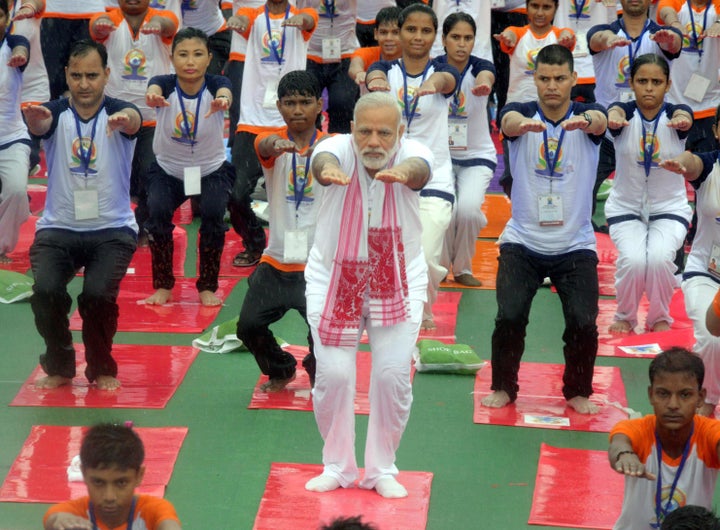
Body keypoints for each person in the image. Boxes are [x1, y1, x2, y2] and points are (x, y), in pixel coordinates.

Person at [304, 92, 433, 499]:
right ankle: (337, 466)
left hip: (396, 275)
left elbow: (420, 170)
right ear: (352, 129)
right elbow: (321, 163)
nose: (373, 142)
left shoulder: (413, 150)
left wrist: (403, 173)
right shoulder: (334, 148)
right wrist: (326, 174)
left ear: (400, 132)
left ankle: (381, 469)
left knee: (391, 375)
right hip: (334, 275)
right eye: (365, 131)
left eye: (383, 133)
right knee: (335, 375)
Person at [480, 44, 607, 413]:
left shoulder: (588, 114)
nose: (552, 85)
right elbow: (507, 124)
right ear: (534, 78)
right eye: (544, 78)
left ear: (572, 78)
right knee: (510, 316)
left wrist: (586, 124)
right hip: (523, 241)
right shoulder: (518, 111)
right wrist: (521, 126)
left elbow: (600, 121)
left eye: (559, 78)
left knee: (583, 322)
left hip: (575, 243)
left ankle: (578, 390)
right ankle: (504, 386)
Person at [22, 39, 141, 391]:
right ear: (66, 75)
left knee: (98, 297)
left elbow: (134, 122)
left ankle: (102, 366)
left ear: (106, 75)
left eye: (92, 75)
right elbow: (40, 127)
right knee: (45, 291)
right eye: (76, 76)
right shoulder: (54, 111)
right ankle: (59, 363)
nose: (84, 84)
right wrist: (36, 121)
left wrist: (127, 119)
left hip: (113, 229)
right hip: (58, 228)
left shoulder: (119, 111)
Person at [365, 2, 460, 330]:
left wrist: (437, 84)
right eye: (411, 29)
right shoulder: (385, 72)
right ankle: (389, 312)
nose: (418, 37)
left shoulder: (444, 71)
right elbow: (373, 72)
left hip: (435, 180)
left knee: (429, 256)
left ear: (435, 36)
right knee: (386, 253)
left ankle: (423, 307)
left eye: (426, 30)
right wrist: (375, 79)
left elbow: (448, 80)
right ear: (400, 32)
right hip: (390, 179)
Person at [236, 70, 328, 391]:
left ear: (319, 105)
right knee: (248, 326)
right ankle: (281, 368)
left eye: (305, 102)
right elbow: (262, 143)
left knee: (324, 336)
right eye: (290, 103)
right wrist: (276, 143)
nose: (298, 110)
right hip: (276, 263)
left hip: (319, 266)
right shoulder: (272, 145)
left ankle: (317, 372)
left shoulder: (333, 145)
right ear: (279, 106)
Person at [143, 27, 234, 307]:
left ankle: (207, 285)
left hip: (210, 169)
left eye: (197, 54)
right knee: (157, 214)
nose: (190, 61)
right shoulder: (164, 83)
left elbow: (225, 91)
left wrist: (223, 101)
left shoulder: (218, 82)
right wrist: (153, 97)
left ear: (209, 57)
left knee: (213, 217)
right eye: (182, 54)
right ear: (172, 58)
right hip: (168, 170)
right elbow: (153, 89)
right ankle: (163, 284)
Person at [605, 53, 693, 335]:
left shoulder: (677, 114)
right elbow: (614, 112)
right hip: (625, 207)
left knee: (657, 258)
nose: (649, 88)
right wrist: (614, 118)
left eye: (657, 82)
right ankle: (626, 315)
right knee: (632, 259)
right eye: (642, 81)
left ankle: (658, 316)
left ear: (668, 85)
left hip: (670, 207)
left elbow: (685, 116)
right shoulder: (623, 112)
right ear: (631, 82)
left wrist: (682, 121)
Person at [226, 0, 317, 268]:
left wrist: (303, 22)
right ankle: (255, 244)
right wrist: (238, 23)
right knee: (236, 194)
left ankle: (308, 250)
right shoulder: (251, 15)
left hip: (291, 121)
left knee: (297, 194)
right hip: (252, 122)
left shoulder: (304, 15)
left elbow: (310, 21)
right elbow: (241, 21)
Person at [89, 0, 179, 243]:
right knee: (111, 178)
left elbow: (169, 25)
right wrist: (101, 25)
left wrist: (158, 24)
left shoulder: (165, 16)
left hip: (153, 120)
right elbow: (96, 27)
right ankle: (109, 228)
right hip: (115, 118)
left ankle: (141, 227)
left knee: (151, 181)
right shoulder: (109, 18)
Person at [588, 0, 682, 230]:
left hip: (650, 130)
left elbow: (675, 43)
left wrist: (672, 39)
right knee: (585, 185)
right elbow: (595, 40)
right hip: (609, 130)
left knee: (663, 192)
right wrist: (608, 40)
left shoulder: (660, 35)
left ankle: (670, 244)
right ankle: (581, 236)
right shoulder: (604, 31)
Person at [608, 347, 720, 529]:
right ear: (651, 395)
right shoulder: (634, 428)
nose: (673, 405)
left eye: (685, 394)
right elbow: (619, 443)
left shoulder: (710, 433)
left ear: (701, 397)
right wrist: (625, 455)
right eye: (663, 393)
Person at [662, 110, 720, 416]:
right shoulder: (710, 165)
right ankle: (707, 403)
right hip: (705, 272)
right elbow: (693, 162)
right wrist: (682, 164)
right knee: (711, 338)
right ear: (717, 130)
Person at [436, 12, 496, 287]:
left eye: (468, 38)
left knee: (469, 211)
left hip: (477, 155)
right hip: (442, 156)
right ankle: (440, 267)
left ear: (475, 41)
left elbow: (487, 74)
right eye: (455, 37)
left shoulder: (481, 66)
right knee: (446, 210)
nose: (462, 44)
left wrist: (485, 84)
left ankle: (463, 268)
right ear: (444, 40)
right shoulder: (433, 68)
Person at [493, 0, 576, 195]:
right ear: (527, 8)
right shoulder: (518, 32)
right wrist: (507, 37)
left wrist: (566, 38)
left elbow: (569, 37)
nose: (540, 12)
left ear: (556, 9)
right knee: (512, 173)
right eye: (535, 6)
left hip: (551, 115)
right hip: (517, 113)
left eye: (546, 7)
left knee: (550, 168)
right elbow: (510, 35)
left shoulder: (560, 35)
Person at [43, 423, 182, 530]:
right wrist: (59, 521)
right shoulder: (73, 513)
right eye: (98, 482)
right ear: (84, 474)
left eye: (121, 483)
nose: (109, 496)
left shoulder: (154, 510)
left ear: (139, 475)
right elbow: (53, 519)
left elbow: (169, 525)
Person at [296, 0, 360, 134]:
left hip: (345, 52)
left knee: (342, 103)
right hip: (309, 53)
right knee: (308, 108)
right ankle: (311, 146)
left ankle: (339, 147)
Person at [0, 0, 31, 264]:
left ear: (8, 17)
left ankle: (1, 247)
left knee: (17, 191)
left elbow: (22, 47)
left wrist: (21, 55)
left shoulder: (14, 45)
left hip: (11, 138)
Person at [347, 6, 401, 88]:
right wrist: (359, 73)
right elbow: (355, 65)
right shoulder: (364, 53)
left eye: (395, 33)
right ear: (376, 34)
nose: (388, 38)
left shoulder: (414, 57)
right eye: (383, 32)